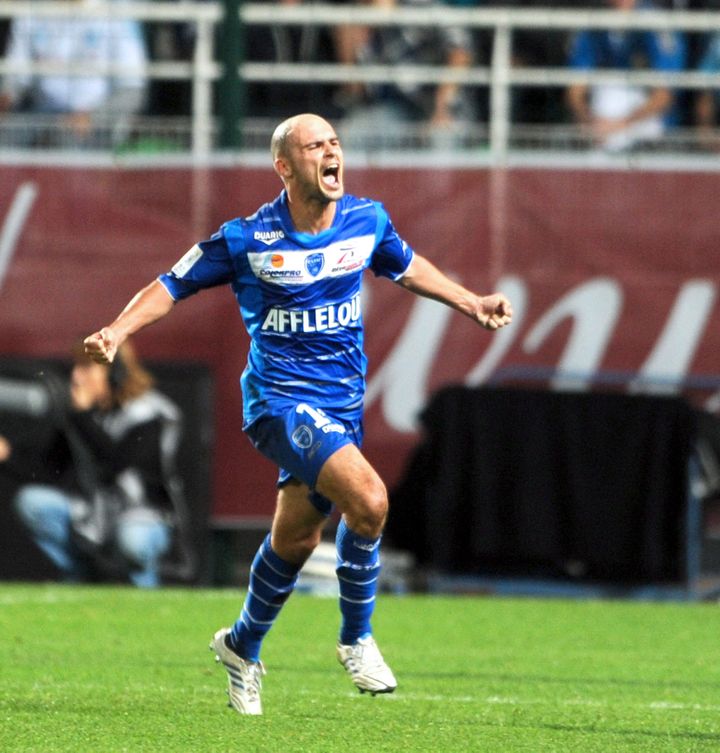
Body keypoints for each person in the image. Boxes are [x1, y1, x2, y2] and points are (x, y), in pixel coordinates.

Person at [83, 112, 513, 715]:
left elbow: (407, 266)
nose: (332, 153)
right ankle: (356, 637)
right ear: (284, 167)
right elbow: (170, 284)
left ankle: (241, 645)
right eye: (315, 146)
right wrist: (116, 329)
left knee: (297, 537)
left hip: (341, 404)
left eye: (335, 143)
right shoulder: (246, 239)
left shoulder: (367, 221)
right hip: (280, 404)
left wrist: (472, 302)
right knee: (369, 500)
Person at [0, 339, 191, 587]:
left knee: (132, 540)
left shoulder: (149, 414)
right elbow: (48, 468)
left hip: (145, 517)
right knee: (33, 502)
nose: (76, 377)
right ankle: (80, 577)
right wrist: (8, 455)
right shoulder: (86, 415)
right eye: (76, 368)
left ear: (115, 374)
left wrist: (82, 416)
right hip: (96, 514)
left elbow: (116, 465)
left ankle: (145, 596)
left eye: (87, 368)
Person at [0, 0, 147, 149]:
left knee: (65, 141)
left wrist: (92, 118)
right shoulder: (31, 7)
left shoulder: (119, 10)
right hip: (40, 116)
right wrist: (5, 98)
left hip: (96, 125)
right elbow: (17, 78)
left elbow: (132, 90)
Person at [339, 0, 477, 149]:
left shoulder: (422, 7)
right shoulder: (357, 20)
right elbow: (355, 90)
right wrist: (349, 47)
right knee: (353, 133)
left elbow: (461, 51)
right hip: (397, 109)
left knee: (442, 138)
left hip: (442, 107)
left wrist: (443, 105)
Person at [565, 0, 686, 153]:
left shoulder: (656, 23)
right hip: (601, 119)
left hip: (651, 117)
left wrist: (620, 124)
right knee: (609, 92)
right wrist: (588, 121)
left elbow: (665, 95)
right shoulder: (594, 22)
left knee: (613, 99)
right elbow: (575, 90)